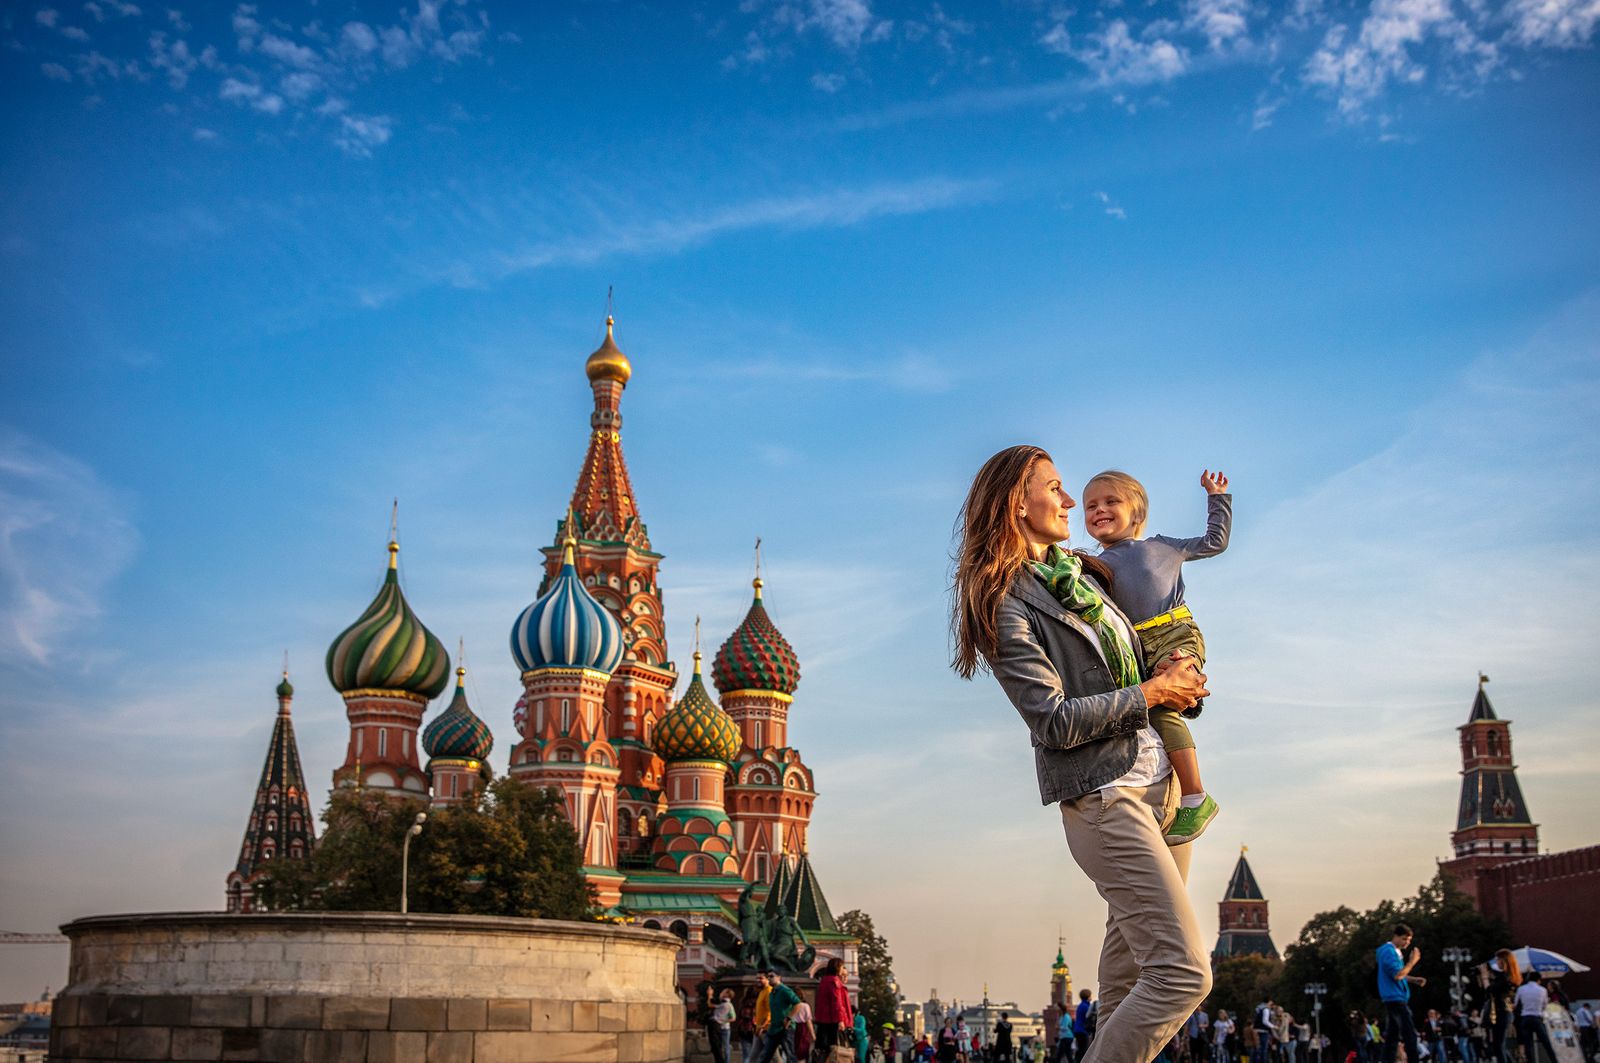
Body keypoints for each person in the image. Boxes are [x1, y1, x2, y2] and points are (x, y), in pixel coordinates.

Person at [953, 447, 1213, 1063]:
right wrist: (1152, 692)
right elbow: (1051, 718)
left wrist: (1183, 673)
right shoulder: (1006, 599)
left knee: (1127, 986)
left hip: (1162, 789)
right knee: (1183, 974)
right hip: (1106, 794)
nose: (1071, 501)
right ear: (1020, 503)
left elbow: (1155, 638)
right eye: (1057, 488)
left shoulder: (1086, 575)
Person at [1081, 468, 1231, 844]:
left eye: (1111, 501)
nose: (1099, 510)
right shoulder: (1089, 566)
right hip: (1136, 650)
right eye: (1090, 506)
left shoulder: (1162, 546)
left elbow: (1216, 542)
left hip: (1174, 632)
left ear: (1137, 512)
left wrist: (1217, 498)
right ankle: (1183, 795)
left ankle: (1195, 796)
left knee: (1172, 692)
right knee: (1159, 714)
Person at [1377, 924, 1426, 1063]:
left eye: (1409, 940)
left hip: (1394, 996)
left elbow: (1398, 974)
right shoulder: (1388, 952)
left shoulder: (1394, 952)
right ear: (1396, 936)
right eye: (1405, 939)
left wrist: (1413, 979)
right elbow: (1397, 975)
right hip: (1395, 997)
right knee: (1409, 1034)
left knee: (1392, 1036)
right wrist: (1413, 961)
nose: (1407, 943)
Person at [1480, 949, 1521, 1063]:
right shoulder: (1510, 976)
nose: (1496, 962)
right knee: (1500, 1045)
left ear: (1504, 960)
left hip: (1501, 1012)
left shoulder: (1505, 977)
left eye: (1498, 959)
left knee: (1498, 1045)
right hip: (1505, 1011)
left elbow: (1490, 991)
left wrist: (1484, 977)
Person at [752, 969, 801, 1063]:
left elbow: (798, 1004)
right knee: (765, 1055)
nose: (769, 978)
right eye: (768, 976)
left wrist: (789, 1018)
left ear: (779, 977)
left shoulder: (785, 990)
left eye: (772, 976)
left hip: (785, 1028)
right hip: (773, 1028)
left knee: (790, 1055)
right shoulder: (772, 993)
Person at [1514, 971, 1559, 1063]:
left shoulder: (1521, 989)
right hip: (1537, 1017)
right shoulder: (1542, 990)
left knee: (1528, 1045)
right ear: (1538, 980)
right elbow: (1545, 1005)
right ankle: (1554, 1060)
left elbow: (1515, 1004)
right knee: (1546, 1043)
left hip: (1525, 1018)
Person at [816, 958, 854, 1052]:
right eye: (842, 967)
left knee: (823, 1048)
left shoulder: (824, 981)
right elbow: (836, 1002)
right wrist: (840, 1020)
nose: (843, 969)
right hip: (832, 1020)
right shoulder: (834, 981)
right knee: (834, 1049)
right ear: (837, 968)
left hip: (823, 1019)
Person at [1072, 990, 1098, 1062]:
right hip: (1083, 1030)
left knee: (1080, 1049)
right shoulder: (1086, 1006)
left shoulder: (1080, 1006)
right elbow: (1088, 1017)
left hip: (1077, 1030)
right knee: (1084, 1050)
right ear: (1088, 996)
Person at [791, 991, 815, 1062]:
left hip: (793, 1027)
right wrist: (813, 1035)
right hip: (803, 1028)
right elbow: (808, 1021)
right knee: (803, 1049)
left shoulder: (791, 1005)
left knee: (794, 1049)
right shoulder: (805, 1006)